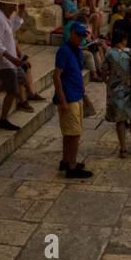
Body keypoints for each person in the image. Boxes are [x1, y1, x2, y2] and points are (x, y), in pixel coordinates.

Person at [0, 0, 29, 130]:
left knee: (21, 78)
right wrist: (12, 59)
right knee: (13, 91)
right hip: (2, 62)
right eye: (12, 6)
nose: (14, 9)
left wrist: (21, 12)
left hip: (9, 61)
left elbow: (12, 27)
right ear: (3, 5)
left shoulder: (3, 18)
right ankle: (3, 119)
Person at [52, 21, 92, 179]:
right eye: (79, 35)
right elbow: (56, 76)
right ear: (72, 34)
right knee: (74, 133)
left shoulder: (76, 50)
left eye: (84, 35)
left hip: (76, 95)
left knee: (70, 132)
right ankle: (72, 166)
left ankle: (66, 161)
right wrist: (62, 100)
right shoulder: (64, 51)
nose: (82, 38)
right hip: (69, 97)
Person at [104, 29, 131, 158]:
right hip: (130, 89)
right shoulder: (130, 52)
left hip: (115, 90)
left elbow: (104, 70)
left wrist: (108, 81)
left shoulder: (109, 53)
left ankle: (123, 149)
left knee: (120, 120)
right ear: (124, 39)